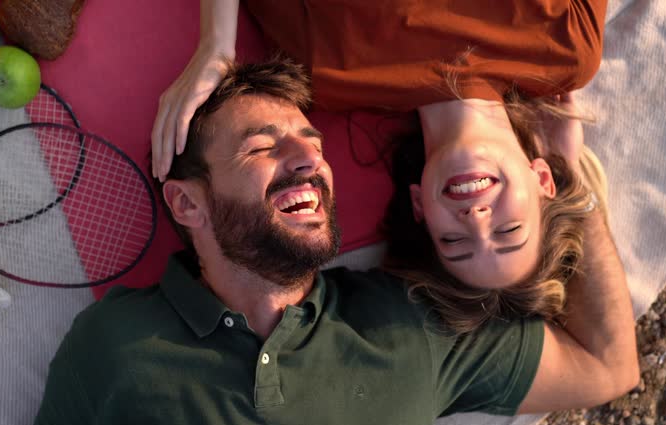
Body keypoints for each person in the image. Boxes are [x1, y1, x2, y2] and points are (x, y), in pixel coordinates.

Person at [33, 58, 638, 425]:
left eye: (312, 141)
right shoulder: (112, 346)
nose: (309, 160)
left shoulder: (410, 324)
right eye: (262, 146)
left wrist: (564, 172)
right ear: (188, 203)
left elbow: (607, 366)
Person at [150, 0, 610, 329]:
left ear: (420, 207)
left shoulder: (330, 75)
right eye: (510, 231)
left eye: (454, 240)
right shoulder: (566, 49)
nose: (476, 219)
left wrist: (216, 46)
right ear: (543, 179)